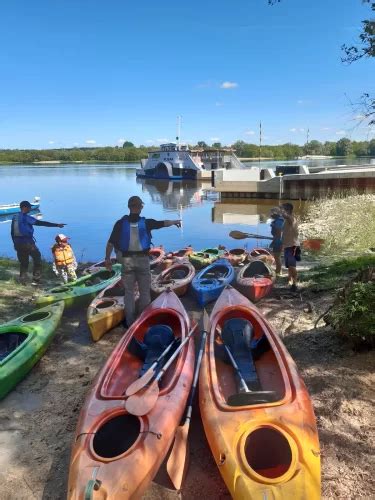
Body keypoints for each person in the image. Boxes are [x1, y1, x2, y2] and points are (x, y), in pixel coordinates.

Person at [104, 195, 181, 327]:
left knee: (129, 293)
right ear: (141, 207)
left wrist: (107, 259)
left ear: (129, 207)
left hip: (126, 261)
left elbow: (110, 243)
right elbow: (162, 223)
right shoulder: (146, 223)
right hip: (143, 261)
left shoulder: (120, 224)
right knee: (144, 292)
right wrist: (174, 221)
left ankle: (130, 322)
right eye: (141, 206)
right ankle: (142, 321)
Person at [11, 201, 66, 285]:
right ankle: (36, 280)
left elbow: (12, 232)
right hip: (28, 243)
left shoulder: (15, 217)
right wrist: (56, 225)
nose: (30, 208)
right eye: (29, 207)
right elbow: (40, 223)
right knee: (37, 259)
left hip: (18, 243)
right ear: (25, 207)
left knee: (24, 263)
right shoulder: (26, 218)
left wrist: (14, 243)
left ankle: (23, 281)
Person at [280, 202, 300, 292]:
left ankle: (295, 283)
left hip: (293, 246)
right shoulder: (286, 221)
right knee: (289, 266)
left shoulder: (291, 218)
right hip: (287, 246)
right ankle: (289, 280)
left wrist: (281, 211)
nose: (281, 211)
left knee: (292, 266)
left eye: (283, 209)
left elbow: (287, 216)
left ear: (288, 211)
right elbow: (286, 233)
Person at [269, 207, 284, 276]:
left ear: (275, 213)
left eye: (272, 213)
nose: (270, 215)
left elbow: (279, 233)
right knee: (277, 257)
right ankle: (278, 270)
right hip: (278, 240)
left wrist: (274, 241)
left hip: (278, 242)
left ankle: (278, 272)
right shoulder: (278, 220)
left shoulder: (279, 221)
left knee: (277, 257)